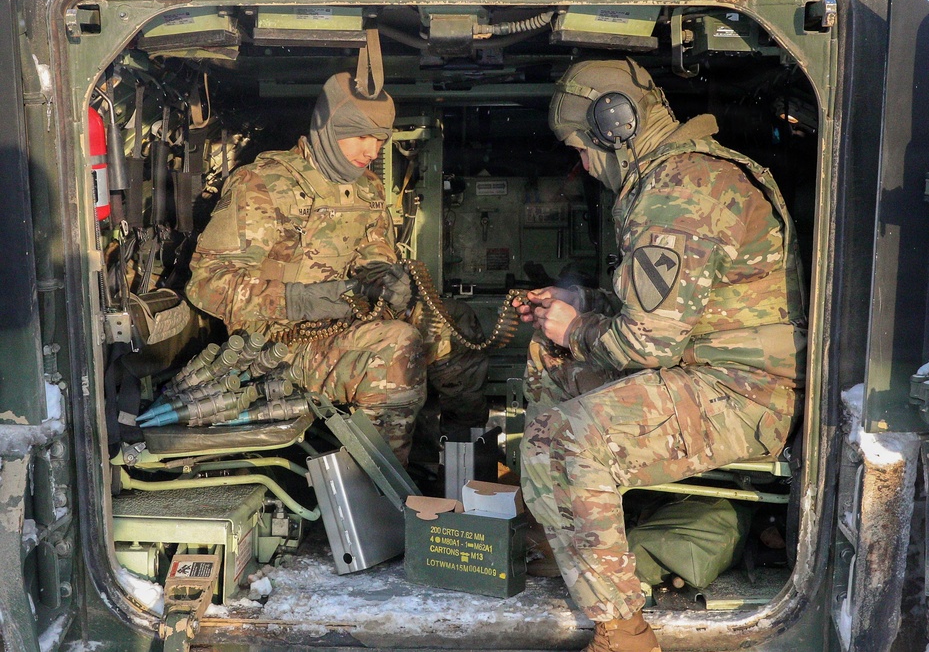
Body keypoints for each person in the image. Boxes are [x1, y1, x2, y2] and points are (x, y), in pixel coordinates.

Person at [514, 58, 807, 652]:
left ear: (613, 125)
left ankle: (623, 631)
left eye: (581, 147)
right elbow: (664, 309)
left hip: (744, 394)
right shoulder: (670, 178)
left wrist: (577, 328)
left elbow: (647, 343)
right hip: (702, 370)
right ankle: (562, 540)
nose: (583, 163)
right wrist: (577, 306)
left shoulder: (681, 190)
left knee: (575, 437)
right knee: (550, 362)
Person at [186, 71, 486, 466]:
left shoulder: (366, 187)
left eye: (379, 140)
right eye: (361, 137)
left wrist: (387, 279)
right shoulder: (263, 184)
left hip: (348, 322)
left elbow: (372, 255)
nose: (372, 151)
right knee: (396, 346)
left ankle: (461, 459)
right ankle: (381, 492)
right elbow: (208, 285)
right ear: (327, 128)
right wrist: (301, 300)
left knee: (455, 323)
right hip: (281, 342)